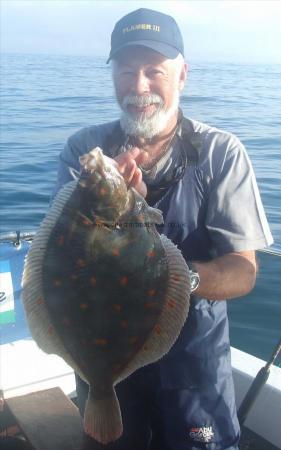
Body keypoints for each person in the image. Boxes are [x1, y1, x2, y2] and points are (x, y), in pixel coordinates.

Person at [53, 8, 273, 450]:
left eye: (154, 70)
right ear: (113, 75)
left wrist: (177, 280)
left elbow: (243, 270)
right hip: (102, 356)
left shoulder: (221, 154)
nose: (139, 87)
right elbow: (63, 251)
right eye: (126, 70)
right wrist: (113, 195)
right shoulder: (83, 148)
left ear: (183, 75)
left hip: (194, 368)